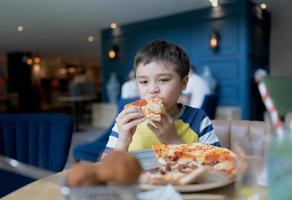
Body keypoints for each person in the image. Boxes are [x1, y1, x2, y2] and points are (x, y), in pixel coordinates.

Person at [104, 40, 220, 153]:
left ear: (183, 83)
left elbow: (216, 167)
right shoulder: (126, 121)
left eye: (163, 80)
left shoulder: (199, 119)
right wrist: (123, 142)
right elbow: (106, 170)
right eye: (144, 82)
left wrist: (174, 142)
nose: (152, 89)